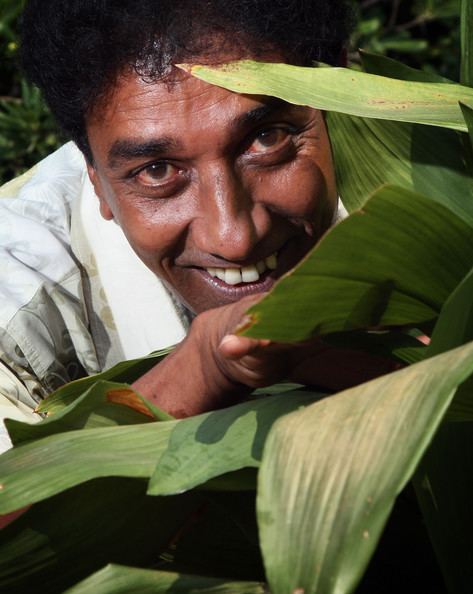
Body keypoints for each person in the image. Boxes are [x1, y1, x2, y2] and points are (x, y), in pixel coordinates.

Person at [0, 0, 394, 451]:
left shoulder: (435, 175)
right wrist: (206, 368)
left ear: (336, 97)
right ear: (94, 176)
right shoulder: (17, 299)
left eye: (267, 139)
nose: (235, 237)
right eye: (158, 171)